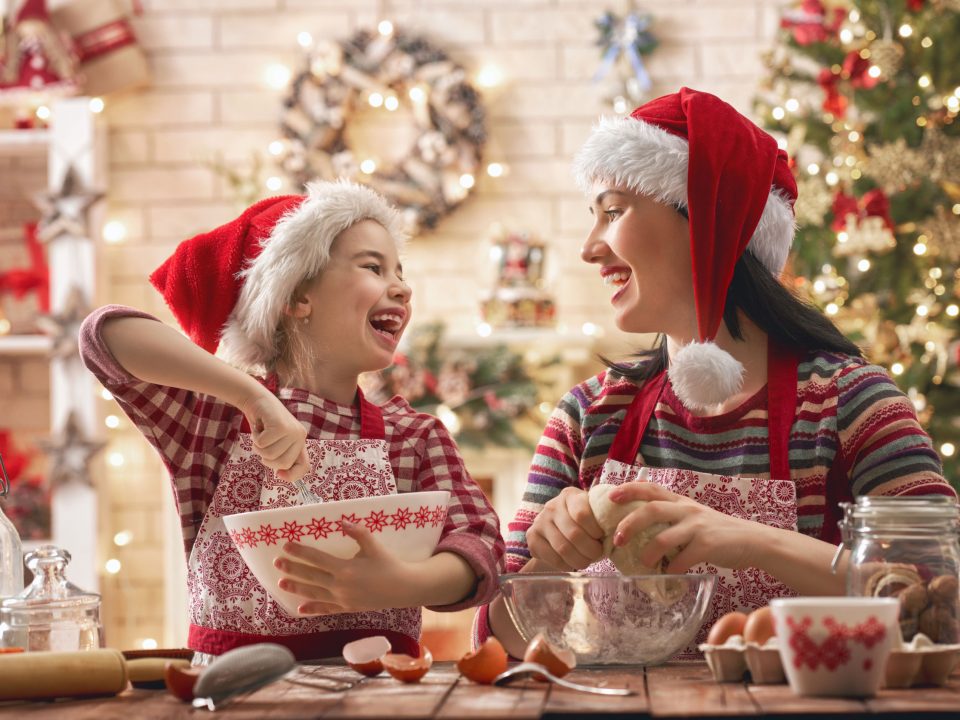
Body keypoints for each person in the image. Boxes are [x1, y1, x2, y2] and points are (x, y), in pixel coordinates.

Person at [477, 88, 956, 659]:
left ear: (708, 222)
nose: (589, 248)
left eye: (612, 212)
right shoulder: (588, 416)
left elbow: (937, 595)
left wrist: (752, 541)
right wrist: (550, 558)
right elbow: (496, 637)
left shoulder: (849, 402)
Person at [79, 180, 504, 662]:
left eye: (400, 272)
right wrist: (252, 398)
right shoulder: (215, 420)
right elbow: (103, 337)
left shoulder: (414, 438)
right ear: (297, 296)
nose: (402, 287)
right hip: (237, 697)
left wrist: (402, 583)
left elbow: (481, 546)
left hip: (382, 696)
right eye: (373, 267)